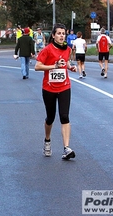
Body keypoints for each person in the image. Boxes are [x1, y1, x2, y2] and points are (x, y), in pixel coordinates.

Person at [34, 23, 77, 160]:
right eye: (58, 33)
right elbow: (37, 66)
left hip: (64, 86)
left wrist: (70, 67)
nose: (61, 36)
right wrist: (54, 66)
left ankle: (66, 148)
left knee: (64, 116)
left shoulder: (67, 49)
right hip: (49, 88)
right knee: (50, 117)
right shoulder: (47, 50)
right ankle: (47, 140)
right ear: (53, 35)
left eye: (63, 33)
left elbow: (66, 62)